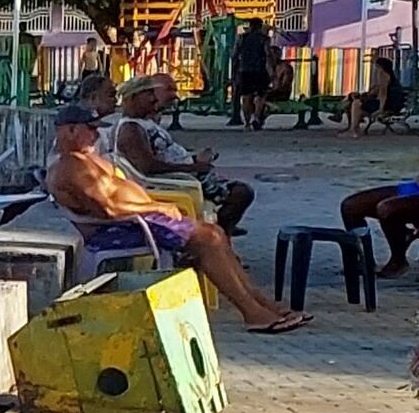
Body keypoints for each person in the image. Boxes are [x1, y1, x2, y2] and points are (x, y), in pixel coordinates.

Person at [47, 110, 302, 331]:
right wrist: (156, 207)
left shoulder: (85, 160)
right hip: (123, 226)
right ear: (69, 131)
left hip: (136, 219)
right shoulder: (71, 168)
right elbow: (109, 208)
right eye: (90, 129)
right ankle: (252, 313)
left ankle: (260, 303)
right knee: (206, 240)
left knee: (214, 233)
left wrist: (155, 207)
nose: (95, 135)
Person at [109, 76, 255, 234]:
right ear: (133, 98)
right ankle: (221, 231)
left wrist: (194, 159)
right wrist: (192, 167)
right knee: (241, 193)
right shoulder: (131, 129)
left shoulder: (143, 123)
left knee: (239, 191)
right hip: (178, 180)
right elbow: (149, 166)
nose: (154, 99)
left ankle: (222, 228)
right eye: (148, 94)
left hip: (184, 173)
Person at [231, 19, 278, 131]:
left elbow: (234, 55)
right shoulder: (264, 39)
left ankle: (247, 122)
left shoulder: (241, 38)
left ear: (250, 26)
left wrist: (234, 72)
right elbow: (268, 55)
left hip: (244, 70)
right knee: (260, 96)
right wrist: (272, 71)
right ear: (260, 26)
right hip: (260, 71)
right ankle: (256, 118)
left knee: (246, 97)